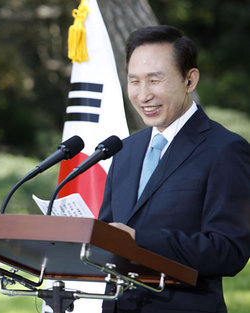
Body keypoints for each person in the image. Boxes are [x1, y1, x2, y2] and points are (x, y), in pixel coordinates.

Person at [99, 25, 250, 313]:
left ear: (189, 80)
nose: (143, 95)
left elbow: (229, 251)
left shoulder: (225, 150)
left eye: (155, 80)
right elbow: (109, 234)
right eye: (134, 81)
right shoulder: (124, 150)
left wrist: (137, 241)